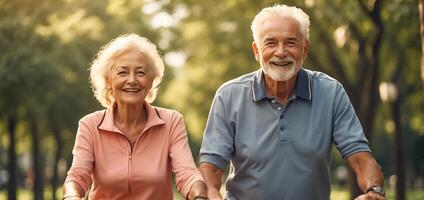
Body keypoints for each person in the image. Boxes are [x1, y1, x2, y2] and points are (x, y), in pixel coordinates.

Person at [199, 4, 386, 200]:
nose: (280, 52)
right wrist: (211, 194)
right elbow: (211, 171)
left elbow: (361, 160)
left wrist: (374, 192)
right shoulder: (228, 96)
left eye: (290, 43)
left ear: (304, 50)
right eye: (270, 43)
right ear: (256, 50)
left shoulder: (331, 93)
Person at [63, 34, 207, 200]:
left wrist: (199, 195)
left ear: (151, 80)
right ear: (108, 80)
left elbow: (187, 174)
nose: (132, 80)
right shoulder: (90, 125)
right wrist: (72, 196)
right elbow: (77, 177)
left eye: (140, 72)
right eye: (122, 72)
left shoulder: (172, 122)